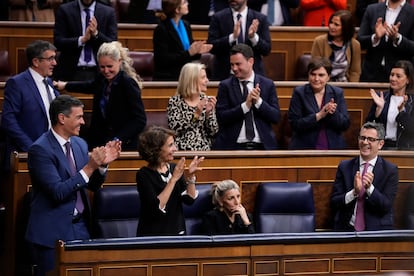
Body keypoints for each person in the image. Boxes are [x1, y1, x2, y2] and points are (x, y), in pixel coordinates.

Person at [25, 94, 122, 275]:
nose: (83, 122)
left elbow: (90, 185)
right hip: (51, 233)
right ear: (62, 118)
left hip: (81, 228)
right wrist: (90, 166)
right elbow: (58, 192)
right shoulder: (40, 150)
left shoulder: (79, 144)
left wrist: (101, 166)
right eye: (78, 117)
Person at [54, 41, 146, 151]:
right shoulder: (102, 79)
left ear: (119, 62)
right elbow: (88, 86)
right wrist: (66, 85)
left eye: (109, 66)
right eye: (102, 67)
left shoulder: (128, 84)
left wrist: (118, 139)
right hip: (98, 142)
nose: (106, 71)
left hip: (121, 145)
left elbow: (140, 120)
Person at [136, 126, 204, 236]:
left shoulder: (174, 169)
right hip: (153, 235)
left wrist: (191, 176)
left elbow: (189, 200)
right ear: (156, 149)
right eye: (170, 145)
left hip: (177, 231)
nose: (175, 149)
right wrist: (173, 180)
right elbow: (155, 209)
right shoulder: (144, 175)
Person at [330, 121, 398, 231]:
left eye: (371, 139)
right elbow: (335, 202)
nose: (365, 142)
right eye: (362, 138)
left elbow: (386, 206)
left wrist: (369, 189)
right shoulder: (345, 167)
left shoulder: (390, 170)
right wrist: (354, 192)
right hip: (347, 229)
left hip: (376, 232)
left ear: (380, 144)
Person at [213, 43, 280, 150]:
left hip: (262, 146)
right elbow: (221, 117)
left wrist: (258, 102)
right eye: (232, 64)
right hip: (233, 146)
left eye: (238, 64)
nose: (234, 68)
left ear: (251, 62)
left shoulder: (267, 85)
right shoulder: (225, 86)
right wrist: (245, 106)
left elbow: (275, 117)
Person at [1, 40, 59, 154]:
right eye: (50, 59)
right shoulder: (17, 83)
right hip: (26, 151)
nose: (55, 63)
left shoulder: (49, 83)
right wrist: (31, 148)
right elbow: (8, 120)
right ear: (36, 62)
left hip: (52, 150)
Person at [287, 56, 350, 149]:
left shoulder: (337, 93)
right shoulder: (299, 93)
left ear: (328, 77)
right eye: (313, 74)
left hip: (333, 147)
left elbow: (345, 124)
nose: (316, 79)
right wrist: (319, 115)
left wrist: (333, 112)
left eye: (321, 75)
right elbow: (295, 124)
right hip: (305, 147)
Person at [53, 0, 118, 81]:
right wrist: (82, 40)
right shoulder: (65, 10)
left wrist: (96, 34)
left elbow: (113, 44)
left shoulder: (108, 12)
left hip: (99, 72)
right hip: (72, 72)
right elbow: (58, 42)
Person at [207, 0, 271, 81]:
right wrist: (232, 37)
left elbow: (266, 50)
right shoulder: (218, 18)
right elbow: (211, 46)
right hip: (224, 75)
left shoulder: (260, 18)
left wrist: (253, 37)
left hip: (254, 76)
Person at [152, 0, 212, 81]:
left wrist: (198, 51)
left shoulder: (186, 25)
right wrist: (189, 53)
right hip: (168, 76)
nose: (187, 3)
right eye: (184, 2)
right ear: (177, 10)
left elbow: (190, 53)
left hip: (186, 74)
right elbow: (163, 59)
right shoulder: (161, 29)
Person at [357, 0, 414, 82]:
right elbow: (359, 41)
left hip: (400, 76)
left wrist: (398, 38)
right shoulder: (372, 9)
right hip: (371, 73)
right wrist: (375, 37)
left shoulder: (412, 12)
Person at [167, 63, 219, 150]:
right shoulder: (175, 102)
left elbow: (213, 132)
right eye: (203, 77)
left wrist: (208, 114)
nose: (207, 81)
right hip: (181, 151)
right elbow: (175, 130)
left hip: (204, 151)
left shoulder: (206, 100)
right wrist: (196, 115)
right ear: (192, 80)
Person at [366, 60, 414, 149]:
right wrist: (378, 111)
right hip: (383, 147)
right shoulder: (382, 97)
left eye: (398, 76)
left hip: (405, 149)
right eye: (392, 75)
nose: (393, 79)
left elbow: (411, 129)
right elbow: (367, 127)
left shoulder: (412, 101)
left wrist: (401, 113)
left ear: (408, 80)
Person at [311, 10, 361, 82]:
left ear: (346, 27)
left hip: (345, 84)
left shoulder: (354, 45)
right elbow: (315, 68)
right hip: (323, 83)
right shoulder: (319, 41)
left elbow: (355, 71)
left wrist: (352, 89)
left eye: (336, 24)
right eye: (331, 23)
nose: (331, 26)